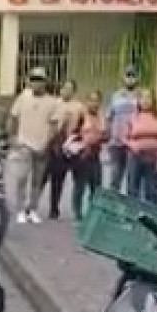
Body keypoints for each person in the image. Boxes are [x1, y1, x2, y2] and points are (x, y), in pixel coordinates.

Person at [9, 67, 61, 224]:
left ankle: (32, 209)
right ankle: (20, 210)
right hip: (24, 144)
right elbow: (13, 118)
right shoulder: (23, 97)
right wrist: (12, 137)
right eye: (34, 80)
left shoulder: (52, 101)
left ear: (45, 82)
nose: (36, 83)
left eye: (40, 80)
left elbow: (54, 125)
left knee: (37, 181)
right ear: (29, 82)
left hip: (42, 146)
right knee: (22, 179)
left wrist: (47, 142)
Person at [41, 80, 85, 219]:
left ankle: (54, 208)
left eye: (69, 88)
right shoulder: (54, 104)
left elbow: (83, 124)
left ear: (74, 91)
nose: (66, 90)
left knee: (59, 179)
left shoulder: (79, 107)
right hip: (53, 143)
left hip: (69, 145)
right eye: (64, 88)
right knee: (43, 176)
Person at [124, 88, 157, 204]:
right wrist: (132, 145)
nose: (145, 101)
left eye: (148, 97)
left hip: (154, 158)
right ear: (138, 100)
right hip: (135, 157)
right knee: (133, 189)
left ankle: (151, 216)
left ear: (153, 100)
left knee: (152, 190)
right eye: (142, 98)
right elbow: (124, 137)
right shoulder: (133, 117)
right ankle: (132, 216)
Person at [70, 91, 106, 221]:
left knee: (96, 188)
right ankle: (77, 214)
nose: (94, 103)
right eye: (91, 100)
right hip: (82, 156)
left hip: (96, 156)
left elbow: (106, 134)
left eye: (97, 101)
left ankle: (92, 214)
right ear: (87, 102)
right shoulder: (81, 116)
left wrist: (102, 138)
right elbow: (73, 133)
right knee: (80, 186)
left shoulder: (102, 118)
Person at [105, 66, 141, 192]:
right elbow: (109, 118)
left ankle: (130, 210)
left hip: (133, 144)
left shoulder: (141, 96)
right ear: (123, 78)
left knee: (132, 181)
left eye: (133, 76)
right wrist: (108, 138)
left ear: (137, 78)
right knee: (115, 178)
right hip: (116, 143)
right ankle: (114, 208)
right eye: (128, 75)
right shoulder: (115, 96)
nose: (130, 79)